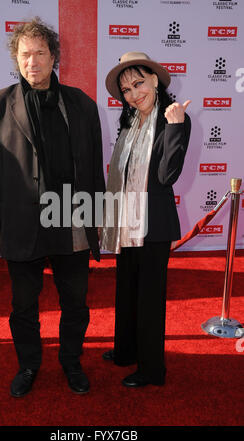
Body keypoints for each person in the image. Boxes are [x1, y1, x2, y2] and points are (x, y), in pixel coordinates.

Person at [0, 17, 105, 397]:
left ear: (54, 57)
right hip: (21, 222)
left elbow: (94, 168)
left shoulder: (82, 105)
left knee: (76, 303)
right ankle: (29, 364)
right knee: (23, 306)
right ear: (17, 59)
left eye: (41, 53)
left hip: (71, 217)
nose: (33, 62)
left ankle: (71, 362)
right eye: (25, 55)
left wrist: (97, 217)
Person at [100, 51, 191, 388]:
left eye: (138, 83)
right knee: (127, 290)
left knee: (149, 298)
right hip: (126, 222)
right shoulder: (130, 122)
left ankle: (152, 369)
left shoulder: (174, 117)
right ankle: (126, 351)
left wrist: (177, 128)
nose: (134, 93)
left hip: (154, 226)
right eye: (126, 89)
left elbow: (167, 176)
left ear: (155, 80)